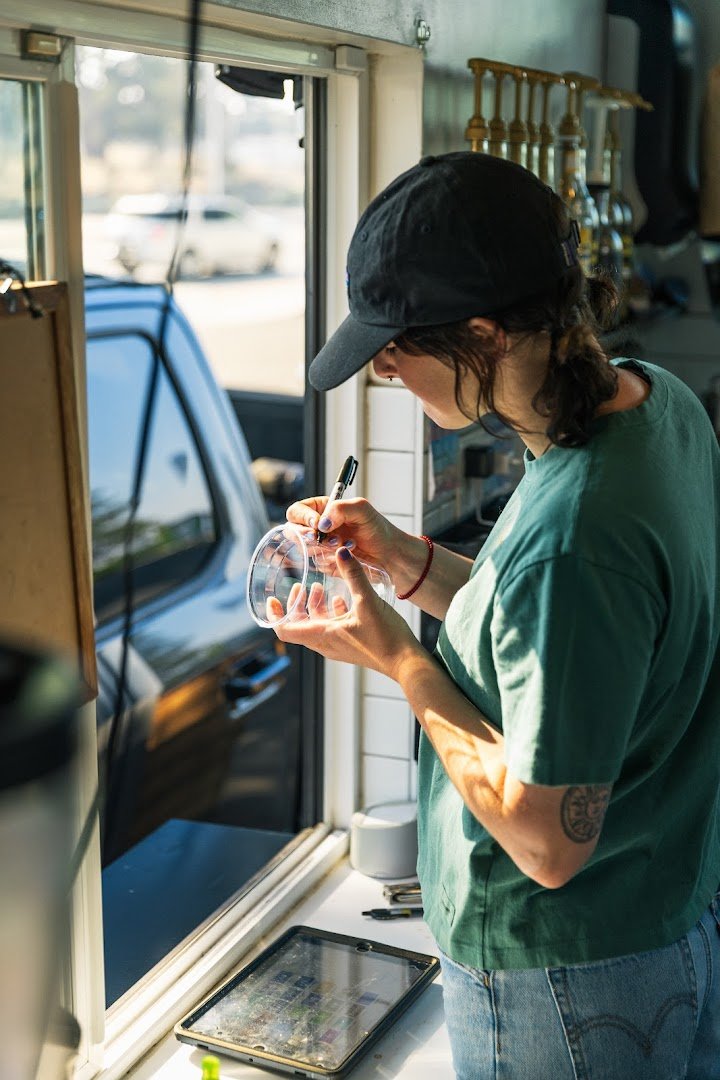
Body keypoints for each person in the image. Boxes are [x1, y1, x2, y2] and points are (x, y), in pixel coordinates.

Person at [269, 152, 720, 1079]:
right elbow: (567, 631)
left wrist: (399, 661)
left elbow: (549, 842)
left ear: (484, 332)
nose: (384, 369)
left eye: (398, 344)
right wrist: (407, 560)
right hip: (664, 914)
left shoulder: (576, 534)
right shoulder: (654, 406)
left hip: (569, 977)